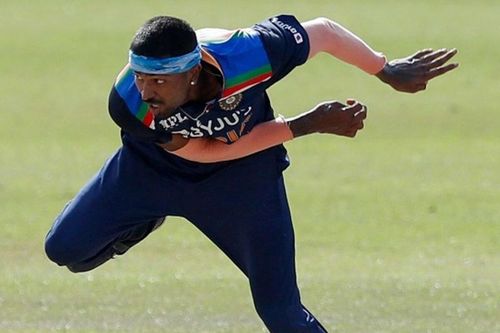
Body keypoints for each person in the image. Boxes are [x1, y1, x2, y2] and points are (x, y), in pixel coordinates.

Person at [44, 14, 458, 332]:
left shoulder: (250, 54)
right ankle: (147, 217)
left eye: (159, 81)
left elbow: (325, 33)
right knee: (64, 250)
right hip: (150, 171)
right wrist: (302, 125)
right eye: (140, 77)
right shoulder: (128, 101)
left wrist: (385, 70)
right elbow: (202, 151)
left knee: (279, 310)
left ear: (191, 72)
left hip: (243, 176)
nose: (147, 91)